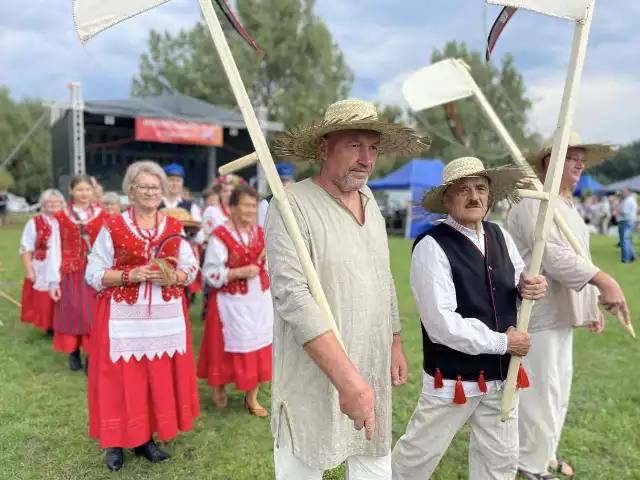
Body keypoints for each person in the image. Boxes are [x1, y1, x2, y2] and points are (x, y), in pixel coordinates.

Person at [264, 98, 429, 479]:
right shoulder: (290, 205)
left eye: (372, 147)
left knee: (373, 465)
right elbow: (293, 299)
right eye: (354, 144)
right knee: (302, 461)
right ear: (324, 147)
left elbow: (382, 275)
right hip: (315, 373)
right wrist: (347, 381)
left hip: (370, 363)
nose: (366, 159)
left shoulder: (369, 200)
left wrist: (394, 339)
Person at [390, 157, 547, 479]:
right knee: (418, 454)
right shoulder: (432, 246)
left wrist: (527, 286)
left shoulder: (499, 234)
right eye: (463, 190)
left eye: (480, 188)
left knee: (500, 460)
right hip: (455, 377)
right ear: (447, 200)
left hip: (503, 374)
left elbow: (515, 280)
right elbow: (441, 325)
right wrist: (503, 342)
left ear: (489, 195)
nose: (474, 197)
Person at [505, 133, 631, 479]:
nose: (579, 165)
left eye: (581, 159)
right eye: (571, 158)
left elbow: (578, 254)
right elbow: (553, 256)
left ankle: (543, 454)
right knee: (540, 394)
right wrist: (604, 281)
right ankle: (529, 464)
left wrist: (590, 307)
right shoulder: (532, 200)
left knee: (558, 391)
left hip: (562, 312)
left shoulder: (565, 203)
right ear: (550, 162)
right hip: (538, 312)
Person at [84, 160, 200, 472]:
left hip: (164, 317)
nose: (151, 192)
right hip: (123, 317)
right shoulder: (113, 227)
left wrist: (173, 277)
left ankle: (144, 438)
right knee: (120, 378)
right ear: (131, 191)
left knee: (152, 378)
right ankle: (115, 442)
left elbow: (191, 267)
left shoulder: (174, 226)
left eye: (156, 187)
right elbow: (93, 273)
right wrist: (129, 274)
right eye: (144, 186)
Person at [197, 184, 273, 416]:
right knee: (224, 348)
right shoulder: (221, 236)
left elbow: (269, 266)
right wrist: (238, 272)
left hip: (258, 301)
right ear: (232, 207)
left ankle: (252, 397)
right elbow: (210, 272)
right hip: (229, 302)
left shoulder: (261, 233)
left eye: (253, 205)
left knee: (257, 346)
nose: (250, 210)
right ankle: (219, 387)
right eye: (245, 205)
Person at [47, 174, 107, 372]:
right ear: (71, 191)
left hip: (96, 273)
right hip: (71, 272)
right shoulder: (61, 217)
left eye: (87, 189)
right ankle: (73, 353)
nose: (84, 193)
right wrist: (53, 282)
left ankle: (92, 355)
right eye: (80, 189)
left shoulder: (102, 215)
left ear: (93, 191)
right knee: (72, 313)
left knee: (93, 315)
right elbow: (54, 248)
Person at [20, 189, 65, 335]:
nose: (52, 205)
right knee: (45, 297)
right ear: (43, 204)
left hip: (64, 263)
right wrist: (29, 270)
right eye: (49, 202)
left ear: (62, 204)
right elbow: (26, 247)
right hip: (43, 265)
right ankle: (49, 327)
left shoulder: (67, 221)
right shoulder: (34, 223)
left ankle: (64, 324)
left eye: (56, 202)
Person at [258, 162, 294, 227]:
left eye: (287, 180)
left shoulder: (298, 202)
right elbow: (261, 230)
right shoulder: (265, 204)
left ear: (292, 182)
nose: (285, 184)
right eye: (282, 180)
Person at [618, 188, 637, 263]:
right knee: (626, 239)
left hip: (626, 220)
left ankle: (625, 259)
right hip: (631, 220)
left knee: (624, 239)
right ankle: (632, 256)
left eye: (624, 191)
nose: (623, 193)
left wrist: (618, 210)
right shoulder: (632, 200)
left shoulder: (627, 201)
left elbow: (624, 212)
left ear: (628, 192)